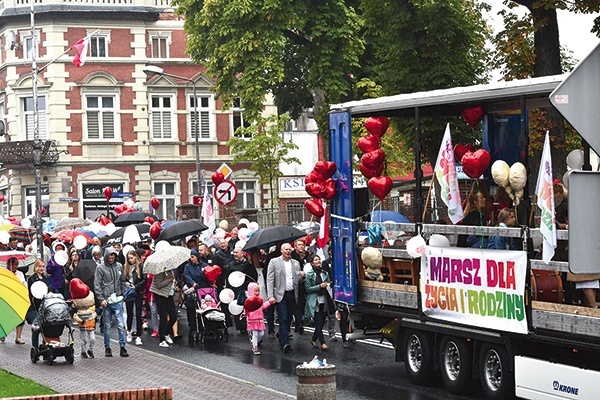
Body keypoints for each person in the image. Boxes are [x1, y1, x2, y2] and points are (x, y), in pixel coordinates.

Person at [267, 242, 304, 353]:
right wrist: (270, 296)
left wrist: (302, 276)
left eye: (290, 249)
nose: (288, 251)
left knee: (288, 318)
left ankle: (283, 334)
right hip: (280, 295)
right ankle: (284, 343)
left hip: (292, 294)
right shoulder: (274, 262)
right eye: (286, 250)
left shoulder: (296, 263)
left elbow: (298, 280)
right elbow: (270, 280)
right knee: (283, 317)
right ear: (282, 251)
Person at [94, 247, 129, 357]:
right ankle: (107, 347)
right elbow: (97, 285)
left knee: (121, 325)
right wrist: (101, 299)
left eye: (113, 256)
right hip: (106, 301)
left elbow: (122, 281)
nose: (111, 258)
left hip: (117, 299)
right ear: (106, 256)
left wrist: (123, 294)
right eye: (109, 256)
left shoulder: (119, 266)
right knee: (107, 326)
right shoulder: (100, 268)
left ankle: (122, 346)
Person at [304, 254, 333, 351]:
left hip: (324, 300)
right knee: (318, 321)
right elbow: (307, 289)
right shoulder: (309, 274)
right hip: (314, 300)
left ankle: (313, 339)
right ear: (312, 263)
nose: (318, 261)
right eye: (316, 260)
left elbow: (329, 284)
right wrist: (319, 286)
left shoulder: (325, 273)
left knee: (321, 321)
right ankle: (323, 342)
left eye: (319, 259)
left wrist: (327, 285)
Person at [183, 248, 210, 341]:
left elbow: (207, 275)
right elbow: (186, 275)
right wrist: (192, 283)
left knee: (202, 307)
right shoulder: (187, 266)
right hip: (193, 289)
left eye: (193, 257)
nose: (191, 259)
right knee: (191, 308)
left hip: (202, 289)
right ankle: (193, 327)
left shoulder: (204, 265)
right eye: (190, 257)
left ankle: (204, 326)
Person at [150, 268, 178, 348]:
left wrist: (174, 286)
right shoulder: (159, 271)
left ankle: (166, 333)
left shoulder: (170, 270)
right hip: (160, 295)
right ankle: (161, 340)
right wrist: (170, 279)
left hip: (169, 295)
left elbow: (170, 283)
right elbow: (158, 285)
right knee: (163, 317)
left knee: (173, 316)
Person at [244, 282, 275, 355]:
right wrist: (247, 315)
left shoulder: (260, 299)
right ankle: (255, 348)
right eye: (255, 291)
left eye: (258, 291)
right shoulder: (248, 300)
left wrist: (269, 303)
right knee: (255, 334)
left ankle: (257, 342)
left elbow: (263, 307)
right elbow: (246, 309)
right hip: (252, 320)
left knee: (261, 334)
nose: (257, 292)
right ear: (251, 291)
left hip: (260, 319)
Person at [123, 250, 146, 346]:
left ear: (136, 257)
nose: (130, 260)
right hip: (129, 292)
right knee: (129, 313)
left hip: (138, 292)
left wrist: (136, 287)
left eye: (132, 258)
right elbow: (123, 279)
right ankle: (129, 331)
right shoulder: (126, 267)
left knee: (138, 314)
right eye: (128, 258)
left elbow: (144, 279)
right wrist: (126, 283)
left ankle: (138, 336)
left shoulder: (140, 266)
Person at [26, 258, 48, 349]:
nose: (41, 268)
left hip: (44, 306)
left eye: (43, 267)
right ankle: (34, 347)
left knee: (45, 327)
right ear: (36, 267)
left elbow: (48, 289)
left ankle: (44, 345)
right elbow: (33, 292)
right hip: (34, 306)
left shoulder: (45, 278)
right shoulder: (32, 278)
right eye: (39, 266)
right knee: (36, 328)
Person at [5, 256, 27, 344]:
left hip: (18, 297)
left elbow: (24, 284)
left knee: (20, 317)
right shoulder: (4, 273)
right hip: (7, 298)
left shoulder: (20, 274)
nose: (15, 267)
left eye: (16, 265)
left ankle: (18, 337)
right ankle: (3, 334)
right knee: (6, 317)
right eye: (13, 265)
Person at [291, 239, 310, 334]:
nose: (301, 246)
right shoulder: (292, 256)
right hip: (296, 283)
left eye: (302, 245)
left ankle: (301, 321)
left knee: (303, 303)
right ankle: (299, 323)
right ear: (295, 247)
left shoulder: (307, 254)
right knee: (298, 304)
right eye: (299, 245)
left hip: (306, 282)